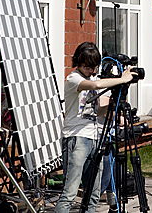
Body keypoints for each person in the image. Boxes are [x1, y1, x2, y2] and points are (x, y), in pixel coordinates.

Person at [55, 42, 134, 213]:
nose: (90, 70)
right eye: (87, 66)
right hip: (77, 138)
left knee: (93, 194)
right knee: (69, 193)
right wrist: (121, 79)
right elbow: (96, 86)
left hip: (95, 138)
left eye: (93, 67)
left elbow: (96, 111)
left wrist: (113, 105)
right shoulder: (74, 78)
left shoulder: (91, 78)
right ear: (78, 62)